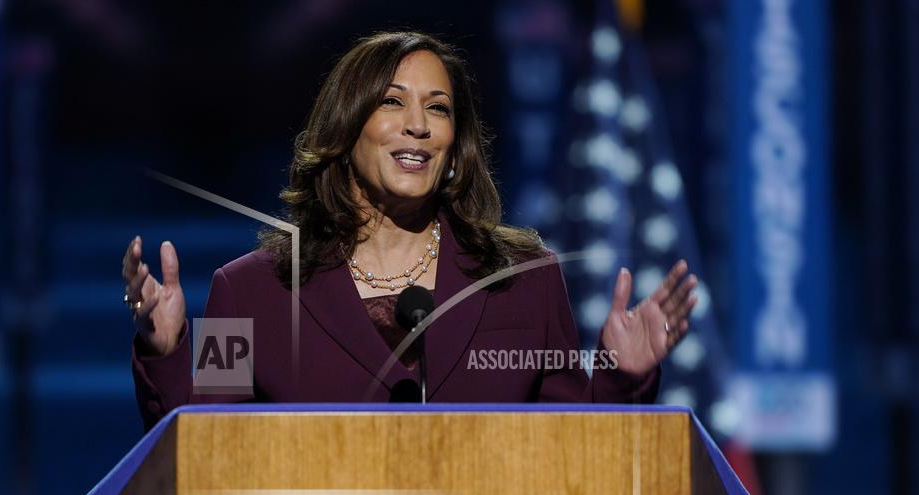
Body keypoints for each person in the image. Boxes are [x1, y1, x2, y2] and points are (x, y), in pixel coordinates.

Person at [121, 31, 698, 430]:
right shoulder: (247, 293)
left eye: (439, 108)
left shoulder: (524, 281)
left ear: (454, 150)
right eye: (392, 103)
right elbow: (205, 457)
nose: (418, 126)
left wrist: (623, 377)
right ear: (346, 132)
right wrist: (166, 350)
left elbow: (577, 450)